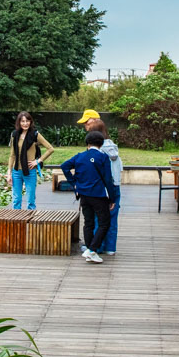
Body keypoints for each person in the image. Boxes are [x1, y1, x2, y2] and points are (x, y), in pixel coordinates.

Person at [60, 130, 117, 263]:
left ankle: (90, 249)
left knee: (88, 223)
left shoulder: (80, 156)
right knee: (104, 223)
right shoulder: (103, 158)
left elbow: (64, 166)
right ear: (101, 144)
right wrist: (112, 198)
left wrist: (74, 183)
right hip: (98, 195)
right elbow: (108, 179)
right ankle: (92, 250)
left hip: (83, 195)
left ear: (87, 144)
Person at [78, 111, 122, 255]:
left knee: (98, 218)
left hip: (101, 187)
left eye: (88, 124)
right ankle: (111, 248)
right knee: (112, 218)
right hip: (115, 185)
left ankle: (96, 247)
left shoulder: (97, 152)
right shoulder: (113, 147)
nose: (86, 127)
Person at [6, 111, 54, 210]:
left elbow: (50, 149)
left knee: (31, 201)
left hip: (30, 171)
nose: (25, 123)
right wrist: (9, 173)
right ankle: (17, 223)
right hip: (16, 172)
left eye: (27, 121)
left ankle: (30, 223)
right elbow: (12, 155)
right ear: (19, 122)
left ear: (31, 122)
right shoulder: (14, 135)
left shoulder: (35, 134)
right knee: (16, 200)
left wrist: (38, 161)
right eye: (22, 121)